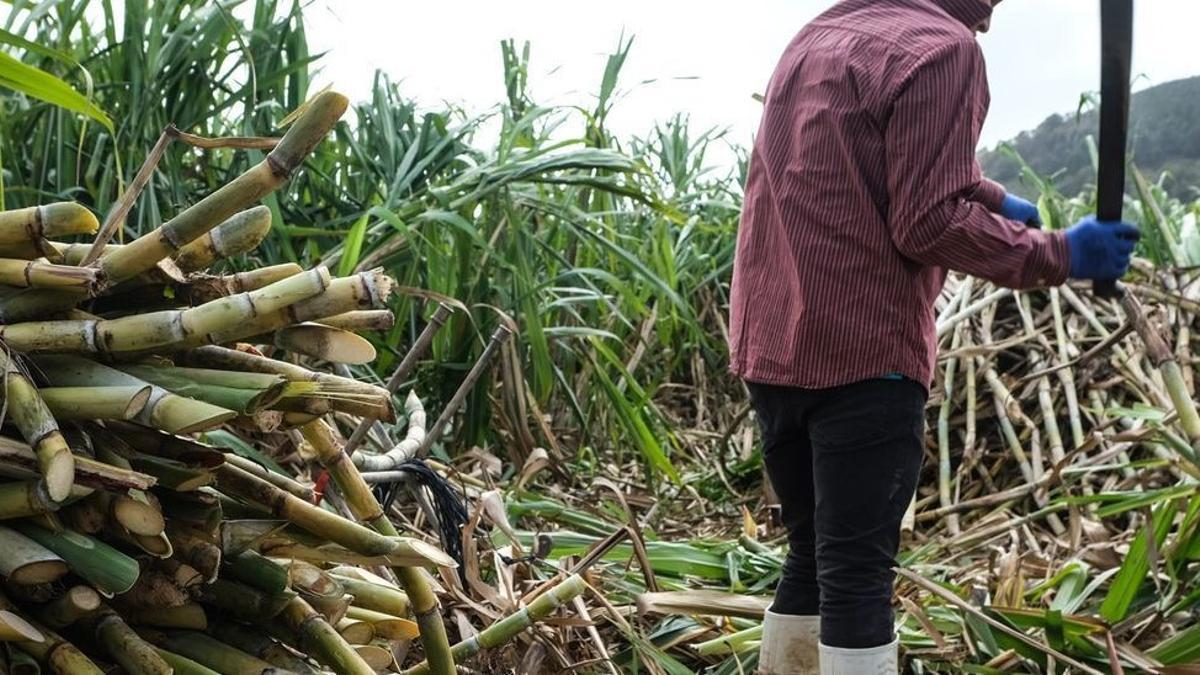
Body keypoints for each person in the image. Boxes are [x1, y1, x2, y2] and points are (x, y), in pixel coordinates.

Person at [727, 0, 1139, 673]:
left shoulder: (821, 35)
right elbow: (926, 223)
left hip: (774, 349)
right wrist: (1062, 253)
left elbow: (860, 156)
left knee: (812, 554)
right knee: (858, 575)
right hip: (864, 358)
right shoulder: (942, 49)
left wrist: (990, 197)